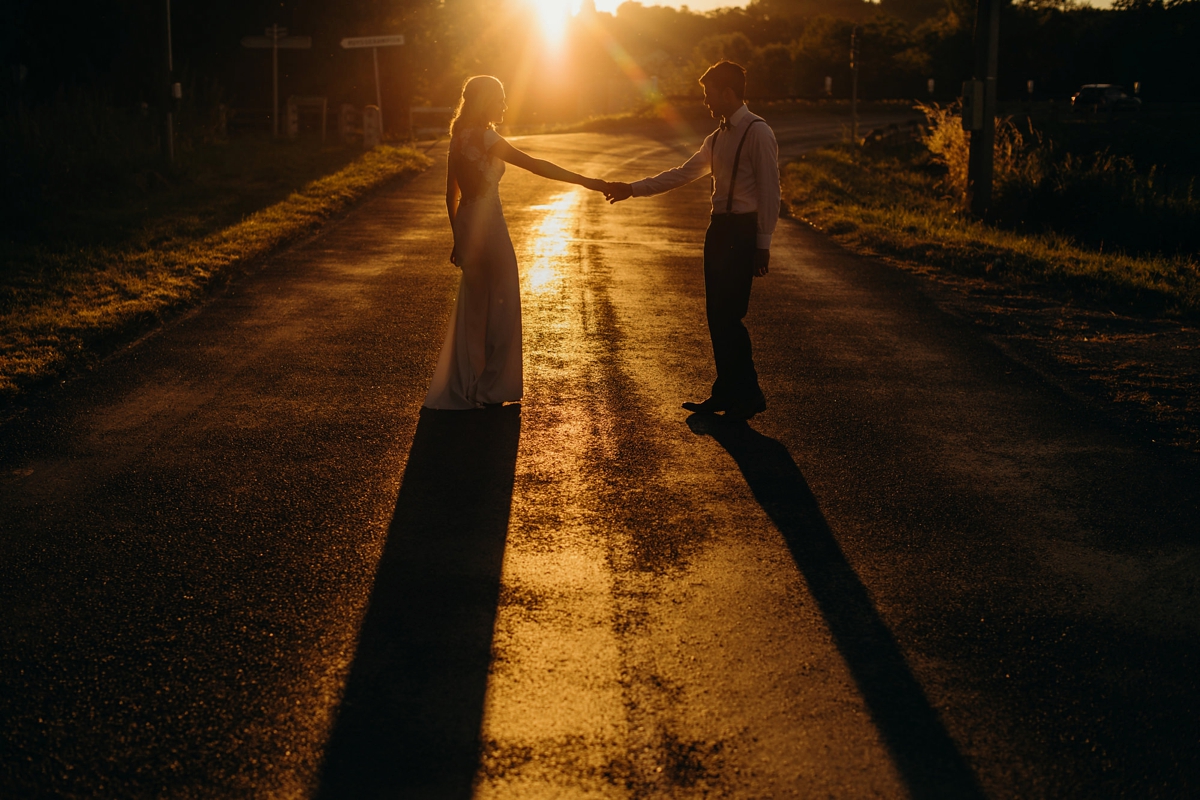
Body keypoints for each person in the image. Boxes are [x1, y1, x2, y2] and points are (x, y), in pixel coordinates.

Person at [605, 60, 780, 421]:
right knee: (717, 315)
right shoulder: (716, 137)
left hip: (743, 232)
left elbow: (770, 191)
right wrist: (632, 189)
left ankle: (749, 394)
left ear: (728, 93)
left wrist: (763, 242)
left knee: (731, 315)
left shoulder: (758, 132)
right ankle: (727, 391)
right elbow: (684, 174)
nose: (706, 102)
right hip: (718, 231)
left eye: (709, 94)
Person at [425, 75, 609, 410]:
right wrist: (587, 181)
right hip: (489, 224)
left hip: (467, 223)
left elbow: (449, 195)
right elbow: (536, 165)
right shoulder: (486, 136)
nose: (505, 105)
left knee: (474, 308)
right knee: (504, 303)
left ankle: (469, 385)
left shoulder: (458, 137)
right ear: (484, 101)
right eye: (500, 98)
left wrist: (458, 237)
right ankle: (491, 388)